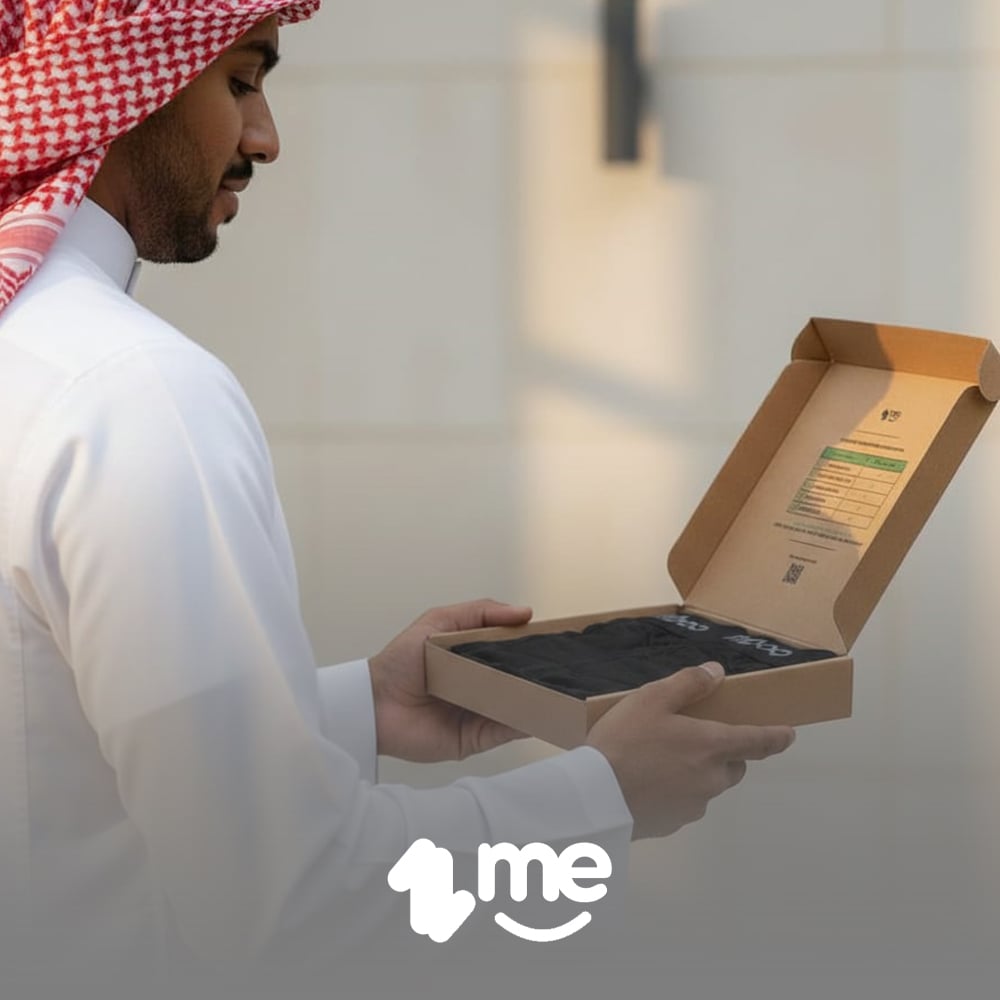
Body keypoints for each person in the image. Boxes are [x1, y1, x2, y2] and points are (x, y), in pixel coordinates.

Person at [0, 1, 796, 994]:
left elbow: (48, 755)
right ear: (126, 79)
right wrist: (603, 797)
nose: (264, 139)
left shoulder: (38, 361)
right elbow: (289, 906)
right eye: (240, 80)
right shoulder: (132, 390)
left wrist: (357, 707)